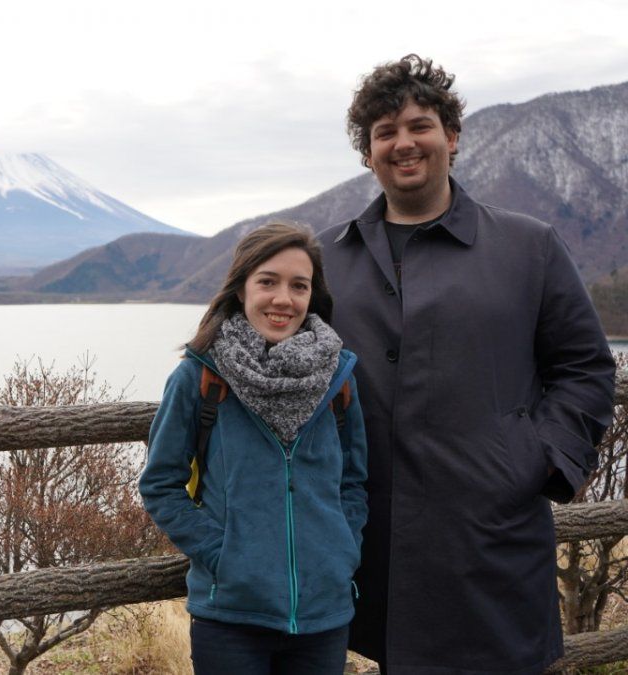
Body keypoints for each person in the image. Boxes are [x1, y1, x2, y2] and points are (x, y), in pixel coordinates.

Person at [319, 54, 617, 674]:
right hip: (369, 547)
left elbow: (586, 368)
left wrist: (532, 461)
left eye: (419, 126)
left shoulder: (528, 245)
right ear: (367, 152)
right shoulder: (328, 259)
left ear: (451, 137)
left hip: (491, 543)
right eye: (384, 132)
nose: (404, 143)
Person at [140, 222, 368, 674]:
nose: (283, 299)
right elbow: (160, 484)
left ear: (312, 296)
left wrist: (342, 549)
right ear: (241, 288)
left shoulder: (338, 377)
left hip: (323, 614)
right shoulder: (198, 377)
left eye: (298, 286)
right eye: (268, 281)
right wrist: (224, 555)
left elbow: (353, 481)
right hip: (231, 617)